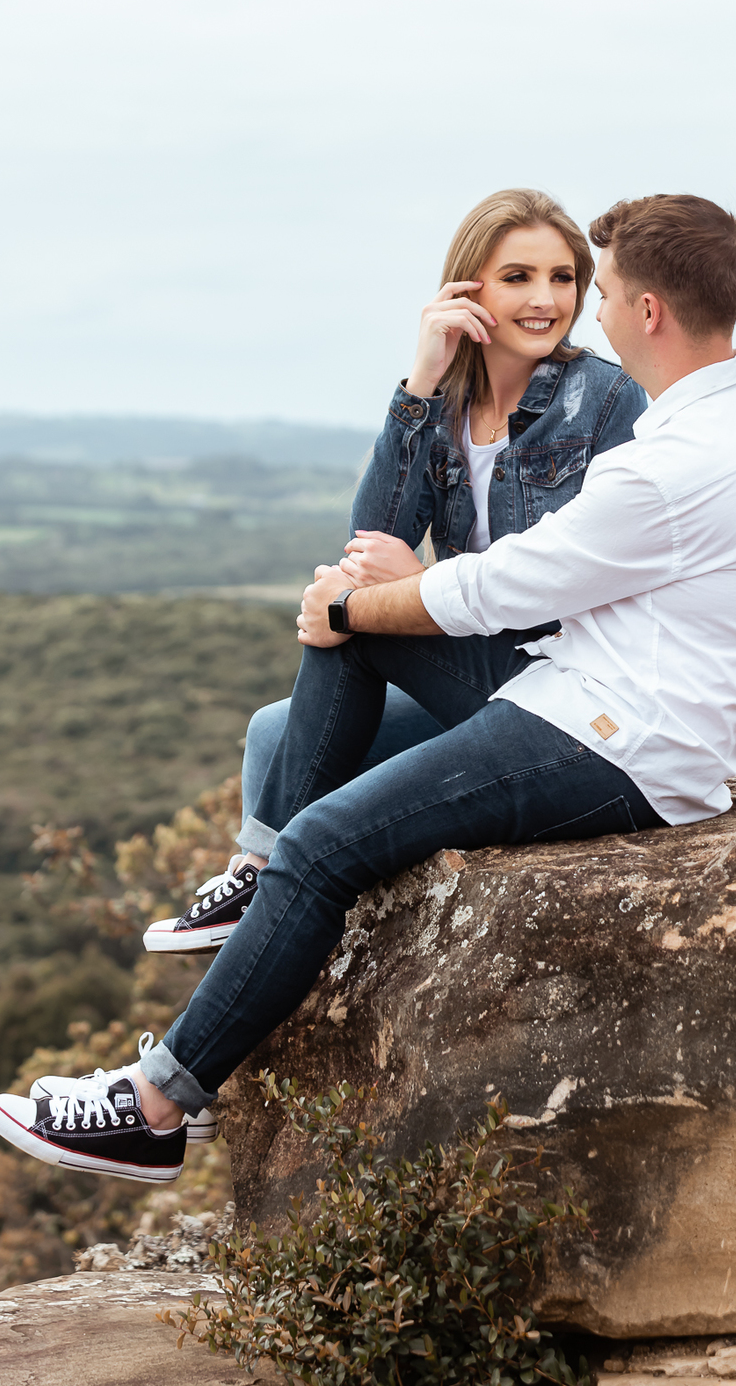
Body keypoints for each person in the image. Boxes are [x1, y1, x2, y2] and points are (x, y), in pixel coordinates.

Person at [0, 193, 736, 1184]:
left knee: (324, 844)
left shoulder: (668, 463)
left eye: (600, 295)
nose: (585, 316)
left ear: (646, 314)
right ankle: (254, 894)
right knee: (293, 749)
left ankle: (158, 1105)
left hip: (620, 739)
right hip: (602, 697)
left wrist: (348, 610)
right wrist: (363, 594)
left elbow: (512, 585)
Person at [140, 189, 646, 960]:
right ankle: (266, 911)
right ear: (467, 287)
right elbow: (367, 540)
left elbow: (585, 579)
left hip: (559, 685)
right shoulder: (441, 406)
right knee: (272, 732)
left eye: (564, 277)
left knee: (354, 624)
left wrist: (414, 585)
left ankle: (260, 876)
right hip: (477, 667)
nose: (546, 300)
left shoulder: (606, 400)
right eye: (518, 277)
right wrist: (419, 383)